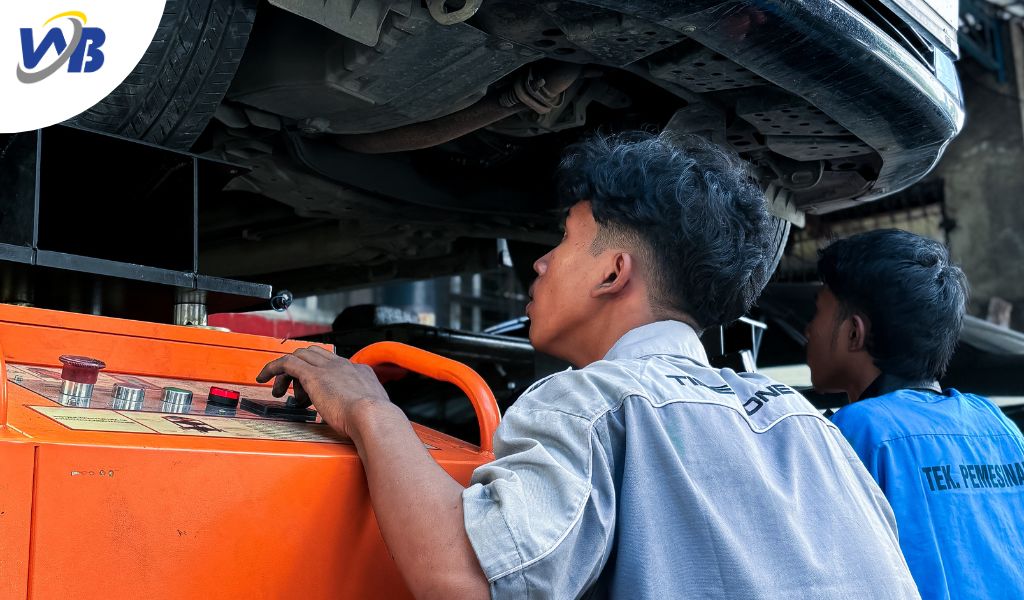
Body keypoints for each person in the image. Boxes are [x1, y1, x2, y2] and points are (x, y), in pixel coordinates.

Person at [257, 132, 918, 599]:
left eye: (564, 241)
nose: (540, 263)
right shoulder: (805, 423)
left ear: (612, 271)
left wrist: (368, 407)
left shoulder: (595, 402)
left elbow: (466, 578)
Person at [805, 229, 1024, 599]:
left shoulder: (857, 432)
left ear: (854, 333)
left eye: (817, 313)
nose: (809, 330)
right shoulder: (998, 425)